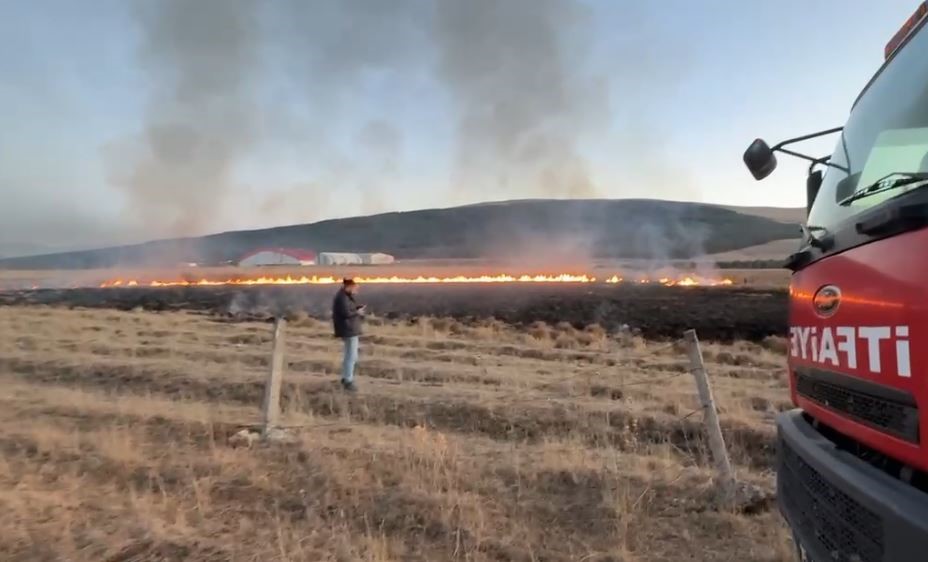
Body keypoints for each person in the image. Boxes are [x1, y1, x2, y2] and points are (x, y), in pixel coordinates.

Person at [332, 278, 365, 392]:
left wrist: (355, 309)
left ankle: (346, 378)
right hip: (348, 330)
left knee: (350, 355)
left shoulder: (344, 296)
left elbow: (347, 310)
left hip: (349, 329)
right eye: (355, 288)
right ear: (349, 286)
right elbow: (346, 313)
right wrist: (357, 312)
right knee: (351, 356)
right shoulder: (342, 298)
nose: (357, 290)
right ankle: (348, 381)